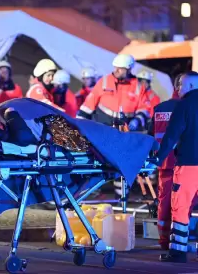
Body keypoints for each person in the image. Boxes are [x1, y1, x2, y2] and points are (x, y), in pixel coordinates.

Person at [150, 71, 198, 263]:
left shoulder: (183, 105)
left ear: (191, 86)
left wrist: (156, 159)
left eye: (181, 85)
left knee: (180, 207)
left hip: (188, 165)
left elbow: (171, 137)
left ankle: (178, 252)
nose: (178, 89)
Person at [77, 54, 151, 131]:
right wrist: (79, 123)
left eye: (120, 68)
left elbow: (144, 108)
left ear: (129, 69)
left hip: (124, 130)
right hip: (102, 126)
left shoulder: (138, 87)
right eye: (115, 67)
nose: (116, 70)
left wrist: (137, 120)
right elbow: (89, 104)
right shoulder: (104, 81)